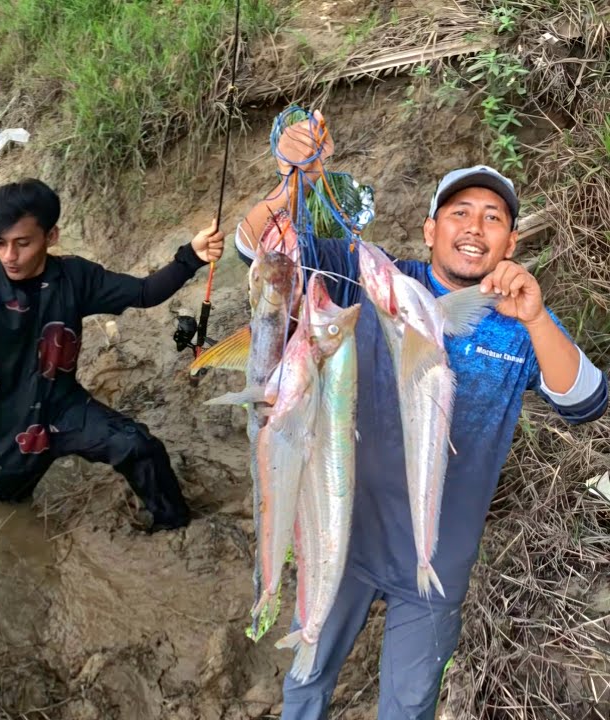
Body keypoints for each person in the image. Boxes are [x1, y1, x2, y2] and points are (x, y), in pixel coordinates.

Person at [235, 113, 609, 718]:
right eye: (459, 212)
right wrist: (291, 181)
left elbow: (587, 402)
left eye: (494, 218)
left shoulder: (518, 321)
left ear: (510, 243)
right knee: (305, 685)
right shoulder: (378, 281)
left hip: (435, 564)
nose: (475, 226)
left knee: (408, 709)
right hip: (341, 539)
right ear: (430, 229)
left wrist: (538, 319)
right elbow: (258, 248)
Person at [0, 178, 225, 532]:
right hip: (8, 431)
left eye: (22, 243)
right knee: (9, 514)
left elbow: (145, 292)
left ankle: (173, 525)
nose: (10, 256)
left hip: (65, 406)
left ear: (51, 236)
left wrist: (191, 256)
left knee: (138, 445)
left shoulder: (75, 277)